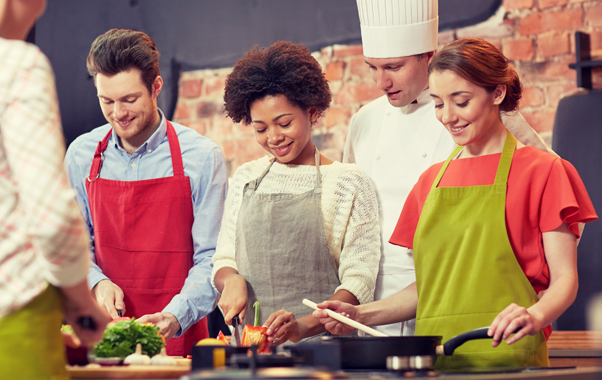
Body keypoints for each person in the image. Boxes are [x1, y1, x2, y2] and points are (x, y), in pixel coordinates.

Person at [315, 38, 598, 368]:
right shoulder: (430, 181)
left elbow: (566, 280)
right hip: (438, 360)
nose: (448, 117)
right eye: (437, 104)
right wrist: (359, 314)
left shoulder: (545, 171)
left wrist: (535, 315)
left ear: (497, 93)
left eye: (460, 101)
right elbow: (429, 288)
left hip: (510, 356)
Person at [344, 0, 554, 336]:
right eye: (372, 67)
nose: (381, 81)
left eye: (393, 67)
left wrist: (531, 293)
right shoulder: (364, 121)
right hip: (378, 303)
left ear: (429, 56)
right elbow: (355, 218)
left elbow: (549, 201)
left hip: (469, 298)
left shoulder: (483, 115)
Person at [0, 0, 109, 378]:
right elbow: (50, 215)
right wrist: (82, 306)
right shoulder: (13, 65)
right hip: (6, 325)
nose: (42, 4)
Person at [64, 29, 228, 356]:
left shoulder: (202, 157)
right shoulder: (81, 155)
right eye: (106, 101)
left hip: (179, 335)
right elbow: (74, 246)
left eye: (129, 99)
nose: (118, 114)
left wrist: (175, 315)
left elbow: (212, 257)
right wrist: (97, 282)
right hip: (103, 339)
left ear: (155, 88)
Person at [212, 41, 381, 346]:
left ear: (312, 112)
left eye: (284, 123)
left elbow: (359, 282)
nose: (274, 137)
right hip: (252, 352)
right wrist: (230, 279)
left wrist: (302, 327)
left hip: (325, 352)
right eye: (261, 128)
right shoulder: (246, 178)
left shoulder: (348, 182)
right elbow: (224, 258)